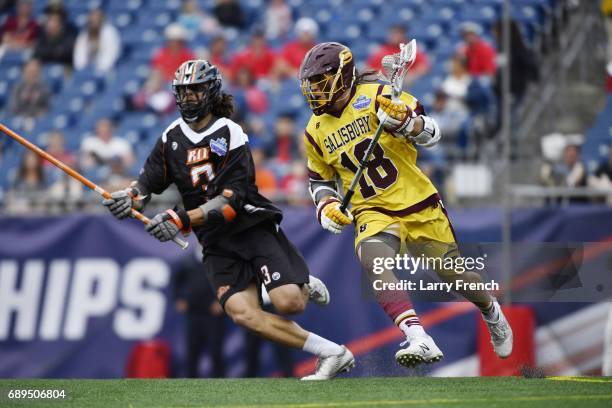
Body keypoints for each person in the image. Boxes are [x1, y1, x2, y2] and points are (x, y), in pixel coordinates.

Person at [102, 59, 354, 380]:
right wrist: (130, 196)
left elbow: (232, 201)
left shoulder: (229, 133)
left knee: (291, 303)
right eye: (183, 91)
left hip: (248, 226)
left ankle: (297, 282)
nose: (189, 97)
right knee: (243, 314)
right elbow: (148, 181)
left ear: (210, 91)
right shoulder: (170, 137)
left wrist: (181, 219)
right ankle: (333, 353)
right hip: (214, 241)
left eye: (195, 90)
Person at [298, 42, 513, 368]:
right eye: (310, 84)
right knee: (375, 261)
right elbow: (320, 180)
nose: (314, 91)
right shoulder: (314, 131)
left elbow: (432, 133)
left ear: (342, 76)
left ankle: (491, 311)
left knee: (453, 274)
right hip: (372, 209)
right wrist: (325, 205)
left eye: (320, 82)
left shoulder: (379, 95)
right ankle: (417, 337)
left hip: (417, 201)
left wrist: (405, 123)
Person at [173, 246, 227, 378]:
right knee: (192, 349)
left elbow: (229, 282)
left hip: (213, 314)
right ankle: (191, 380)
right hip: (193, 312)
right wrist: (178, 299)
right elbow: (176, 281)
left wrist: (222, 302)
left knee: (216, 349)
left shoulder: (219, 261)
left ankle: (220, 381)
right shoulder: (187, 261)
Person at [73, 8, 121, 73]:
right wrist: (83, 69)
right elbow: (79, 56)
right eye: (92, 18)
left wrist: (100, 68)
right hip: (87, 70)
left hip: (107, 70)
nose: (94, 20)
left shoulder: (110, 32)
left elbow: (112, 53)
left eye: (97, 18)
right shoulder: (84, 34)